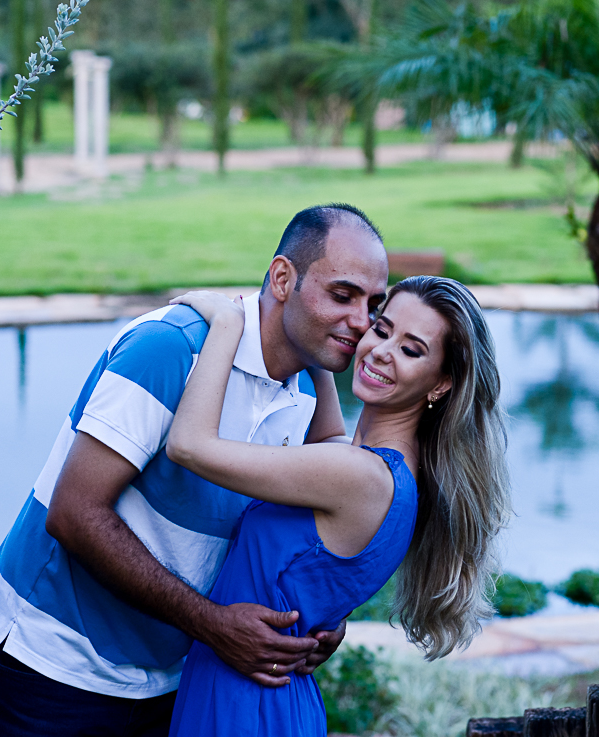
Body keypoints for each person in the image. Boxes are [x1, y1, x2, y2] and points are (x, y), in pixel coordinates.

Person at [0, 204, 390, 736]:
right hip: (53, 665)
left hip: (168, 679)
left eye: (374, 304)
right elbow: (73, 514)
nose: (362, 322)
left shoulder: (305, 388)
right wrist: (212, 625)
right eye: (342, 295)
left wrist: (321, 615)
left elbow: (301, 528)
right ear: (283, 278)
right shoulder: (172, 348)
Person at [162, 275, 511, 736]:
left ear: (441, 384)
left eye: (411, 350)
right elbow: (329, 442)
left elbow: (188, 445)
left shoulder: (356, 476)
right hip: (267, 695)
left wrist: (228, 323)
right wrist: (320, 344)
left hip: (244, 706)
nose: (382, 351)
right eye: (381, 329)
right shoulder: (393, 475)